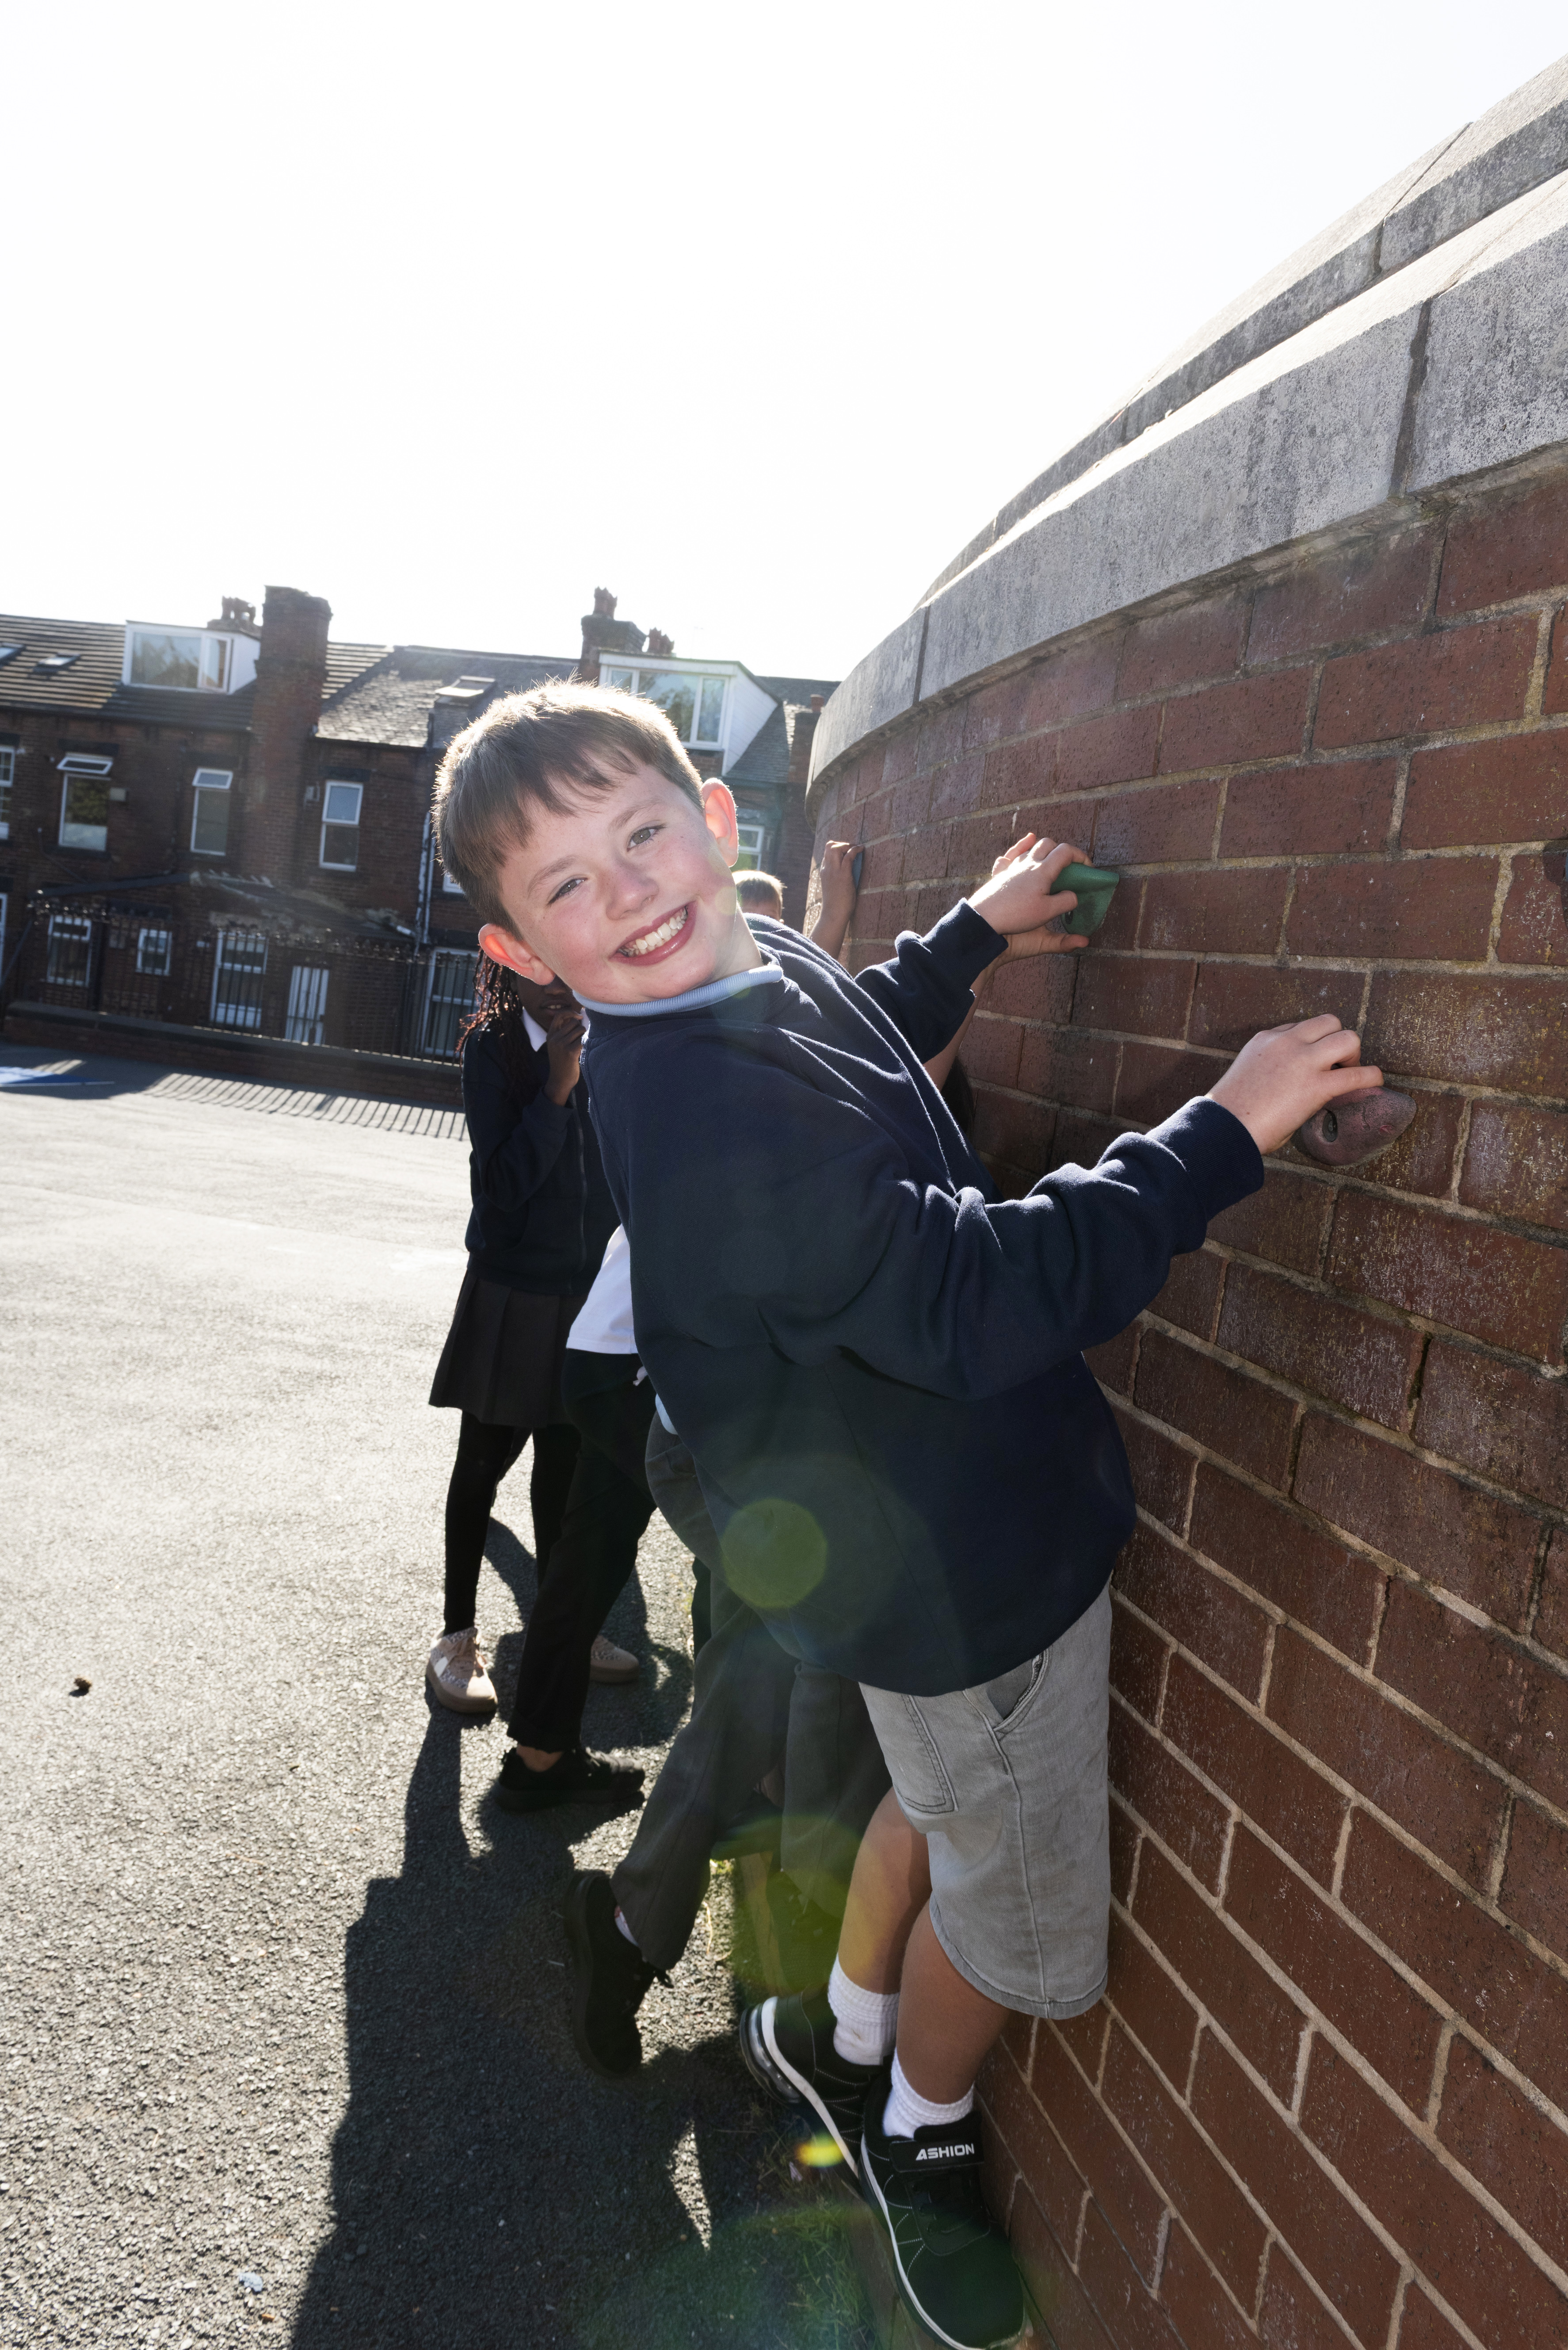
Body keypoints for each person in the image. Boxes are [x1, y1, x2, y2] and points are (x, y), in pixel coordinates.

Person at [429, 682, 1382, 2350]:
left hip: (916, 1544)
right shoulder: (698, 1109)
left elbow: (857, 1018)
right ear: (519, 954)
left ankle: (828, 2026)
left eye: (641, 833)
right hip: (960, 1575)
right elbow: (965, 1292)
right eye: (565, 885)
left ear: (720, 828)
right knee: (1024, 1946)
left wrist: (970, 933)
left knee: (939, 1800)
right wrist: (1219, 1129)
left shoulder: (742, 967)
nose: (630, 893)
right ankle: (914, 2126)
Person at [426, 955, 636, 1756]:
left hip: (588, 1293)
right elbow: (502, 1189)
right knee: (482, 1462)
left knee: (566, 1468)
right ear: (507, 969)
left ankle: (565, 1629)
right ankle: (456, 1635)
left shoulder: (606, 1038)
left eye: (567, 967)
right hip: (513, 1289)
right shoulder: (496, 1049)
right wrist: (556, 1082)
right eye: (537, 968)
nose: (559, 985)